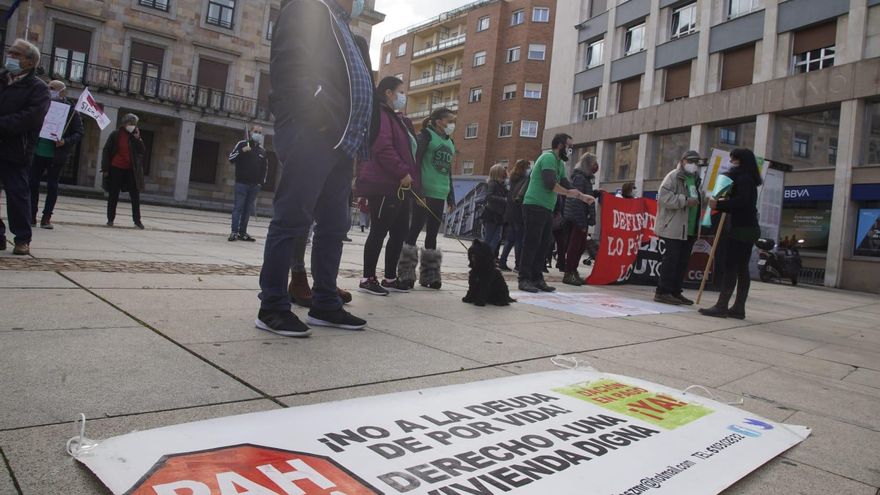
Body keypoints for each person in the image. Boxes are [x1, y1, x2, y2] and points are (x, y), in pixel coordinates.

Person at [258, 0, 374, 337]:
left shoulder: (344, 26)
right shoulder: (306, 8)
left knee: (335, 225)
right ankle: (273, 307)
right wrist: (312, 117)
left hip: (343, 141)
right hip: (315, 133)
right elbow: (289, 65)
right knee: (293, 219)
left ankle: (325, 303)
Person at [355, 76, 419, 296]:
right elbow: (383, 148)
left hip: (398, 186)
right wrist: (402, 172)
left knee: (399, 232)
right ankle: (368, 277)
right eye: (401, 92)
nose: (404, 96)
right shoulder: (381, 115)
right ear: (389, 93)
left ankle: (390, 277)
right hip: (383, 183)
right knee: (379, 231)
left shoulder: (397, 118)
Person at [518, 134, 595, 293]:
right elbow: (550, 184)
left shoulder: (559, 163)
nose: (570, 150)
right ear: (560, 145)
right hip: (534, 205)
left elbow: (566, 183)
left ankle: (537, 278)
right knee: (532, 243)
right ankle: (524, 278)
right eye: (569, 146)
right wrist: (570, 193)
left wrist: (582, 196)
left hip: (547, 208)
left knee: (544, 244)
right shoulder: (548, 158)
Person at [0, 39, 50, 256]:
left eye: (16, 54)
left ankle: (22, 237)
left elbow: (31, 117)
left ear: (30, 62)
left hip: (16, 148)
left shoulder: (38, 88)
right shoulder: (2, 80)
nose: (10, 57)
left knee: (17, 194)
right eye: (10, 53)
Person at [700, 148, 763, 320]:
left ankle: (722, 305)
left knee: (731, 267)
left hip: (741, 229)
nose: (731, 162)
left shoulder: (743, 179)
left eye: (733, 159)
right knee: (742, 268)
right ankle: (738, 308)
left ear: (739, 160)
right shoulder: (749, 179)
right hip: (748, 228)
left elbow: (741, 202)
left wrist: (719, 205)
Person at [398, 107, 457, 290]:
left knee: (432, 235)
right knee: (414, 230)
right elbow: (414, 162)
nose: (452, 125)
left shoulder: (451, 142)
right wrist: (418, 190)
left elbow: (448, 171)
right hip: (424, 192)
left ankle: (430, 275)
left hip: (440, 193)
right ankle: (406, 274)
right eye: (449, 121)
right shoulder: (425, 136)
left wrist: (451, 196)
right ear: (439, 121)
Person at [29, 80, 84, 230]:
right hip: (38, 151)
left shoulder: (71, 111)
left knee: (52, 186)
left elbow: (79, 133)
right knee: (32, 183)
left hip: (56, 154)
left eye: (52, 88)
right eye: (48, 87)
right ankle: (31, 215)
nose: (49, 89)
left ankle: (46, 217)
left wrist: (65, 141)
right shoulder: (41, 104)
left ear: (61, 92)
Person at [654, 150, 704, 305]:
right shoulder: (673, 176)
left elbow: (698, 199)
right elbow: (663, 198)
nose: (693, 164)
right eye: (691, 161)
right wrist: (684, 201)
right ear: (683, 161)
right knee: (671, 260)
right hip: (673, 226)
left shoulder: (696, 180)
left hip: (690, 228)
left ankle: (675, 291)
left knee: (682, 262)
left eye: (696, 162)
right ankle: (663, 291)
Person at [102, 113, 146, 229]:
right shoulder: (115, 135)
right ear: (125, 123)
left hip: (131, 170)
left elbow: (142, 151)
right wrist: (105, 168)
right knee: (113, 194)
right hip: (116, 168)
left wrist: (138, 139)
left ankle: (137, 220)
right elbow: (106, 150)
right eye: (130, 123)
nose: (132, 125)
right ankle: (110, 219)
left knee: (135, 195)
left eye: (134, 124)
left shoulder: (135, 136)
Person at [562, 152, 599, 286]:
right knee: (575, 246)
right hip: (578, 217)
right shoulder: (580, 178)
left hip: (581, 217)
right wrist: (581, 221)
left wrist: (595, 193)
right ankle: (569, 272)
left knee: (580, 246)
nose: (596, 166)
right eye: (594, 163)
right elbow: (576, 199)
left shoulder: (585, 178)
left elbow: (585, 195)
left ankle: (573, 270)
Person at [227, 125, 268, 242]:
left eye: (260, 132)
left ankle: (242, 232)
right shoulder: (242, 144)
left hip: (254, 186)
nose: (258, 134)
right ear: (250, 132)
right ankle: (234, 232)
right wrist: (241, 151)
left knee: (247, 210)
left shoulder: (262, 151)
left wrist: (260, 183)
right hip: (241, 183)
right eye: (256, 131)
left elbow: (264, 169)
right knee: (238, 208)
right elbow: (231, 158)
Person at [498, 159, 530, 272]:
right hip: (519, 212)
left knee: (510, 239)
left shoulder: (512, 178)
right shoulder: (525, 179)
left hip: (510, 211)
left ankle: (502, 261)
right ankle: (518, 265)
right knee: (519, 239)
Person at [481, 163, 508, 253]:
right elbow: (489, 196)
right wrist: (503, 199)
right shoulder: (493, 183)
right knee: (489, 237)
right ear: (498, 173)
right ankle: (484, 256)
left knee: (497, 237)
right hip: (492, 214)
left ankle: (487, 255)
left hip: (499, 214)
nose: (504, 172)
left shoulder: (502, 184)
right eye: (502, 171)